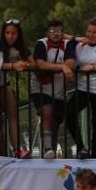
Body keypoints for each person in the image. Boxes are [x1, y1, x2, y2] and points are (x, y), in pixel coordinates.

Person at [64, 18, 96, 158]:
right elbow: (66, 44)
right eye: (89, 31)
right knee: (69, 112)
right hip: (82, 88)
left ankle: (95, 154)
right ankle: (81, 147)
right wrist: (75, 39)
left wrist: (93, 67)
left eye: (95, 32)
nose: (91, 34)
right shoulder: (80, 45)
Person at [29, 19, 74, 158]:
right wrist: (62, 67)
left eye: (59, 31)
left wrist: (65, 67)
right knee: (47, 112)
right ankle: (47, 148)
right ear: (47, 33)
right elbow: (41, 64)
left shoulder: (68, 44)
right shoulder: (41, 44)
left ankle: (51, 149)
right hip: (40, 88)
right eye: (53, 31)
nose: (56, 34)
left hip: (59, 91)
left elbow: (70, 62)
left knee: (55, 121)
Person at [0, 19, 32, 158]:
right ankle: (2, 149)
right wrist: (13, 66)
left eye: (13, 33)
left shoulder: (19, 47)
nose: (10, 36)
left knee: (13, 115)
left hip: (3, 84)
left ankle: (18, 149)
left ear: (18, 34)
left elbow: (33, 62)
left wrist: (25, 65)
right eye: (7, 32)